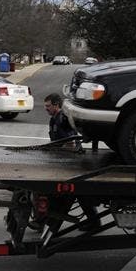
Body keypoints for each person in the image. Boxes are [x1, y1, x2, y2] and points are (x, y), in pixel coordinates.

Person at [44, 93, 101, 230]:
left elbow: (71, 141)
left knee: (61, 195)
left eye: (48, 106)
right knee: (79, 195)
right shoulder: (54, 119)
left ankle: (50, 223)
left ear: (56, 105)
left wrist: (63, 159)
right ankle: (93, 222)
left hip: (70, 162)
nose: (46, 109)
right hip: (63, 160)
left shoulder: (62, 119)